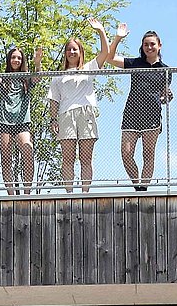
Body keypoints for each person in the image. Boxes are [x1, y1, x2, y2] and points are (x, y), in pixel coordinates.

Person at [46, 21, 121, 192]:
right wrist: (53, 119)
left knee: (86, 158)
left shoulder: (89, 68)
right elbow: (53, 99)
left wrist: (101, 30)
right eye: (69, 49)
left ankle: (85, 192)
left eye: (75, 49)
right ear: (65, 53)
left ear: (80, 52)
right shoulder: (58, 75)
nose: (72, 52)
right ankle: (69, 193)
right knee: (68, 158)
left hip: (86, 113)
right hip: (65, 115)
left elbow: (105, 53)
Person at [119, 30, 172, 191]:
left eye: (152, 44)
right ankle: (138, 186)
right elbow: (110, 58)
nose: (149, 47)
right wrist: (118, 38)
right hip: (131, 114)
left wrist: (168, 96)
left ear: (159, 46)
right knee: (126, 154)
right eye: (146, 44)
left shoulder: (165, 70)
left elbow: (164, 96)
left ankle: (144, 188)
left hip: (152, 116)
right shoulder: (135, 63)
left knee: (148, 154)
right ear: (142, 47)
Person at [0, 46, 35, 196]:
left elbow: (37, 77)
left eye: (19, 57)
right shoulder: (4, 77)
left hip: (22, 122)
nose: (16, 60)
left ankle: (27, 193)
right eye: (13, 57)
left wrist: (37, 63)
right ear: (9, 60)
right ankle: (11, 195)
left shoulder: (26, 78)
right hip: (4, 122)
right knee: (6, 159)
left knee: (28, 151)